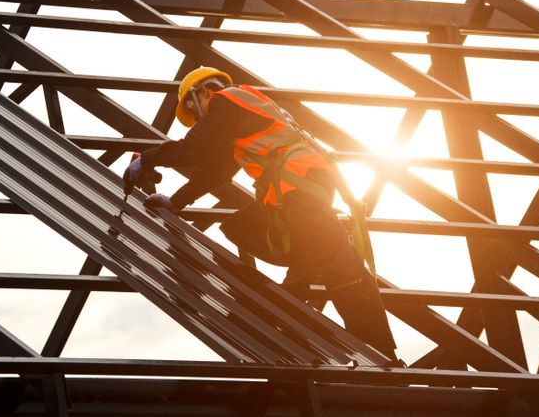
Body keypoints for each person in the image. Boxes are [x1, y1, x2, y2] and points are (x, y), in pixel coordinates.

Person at [124, 67, 397, 358]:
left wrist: (148, 160)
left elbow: (196, 148)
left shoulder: (226, 100)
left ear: (203, 91)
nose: (197, 119)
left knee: (345, 272)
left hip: (299, 193)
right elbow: (218, 172)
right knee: (239, 226)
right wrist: (177, 202)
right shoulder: (245, 112)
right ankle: (306, 268)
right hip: (295, 195)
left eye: (193, 108)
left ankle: (384, 356)